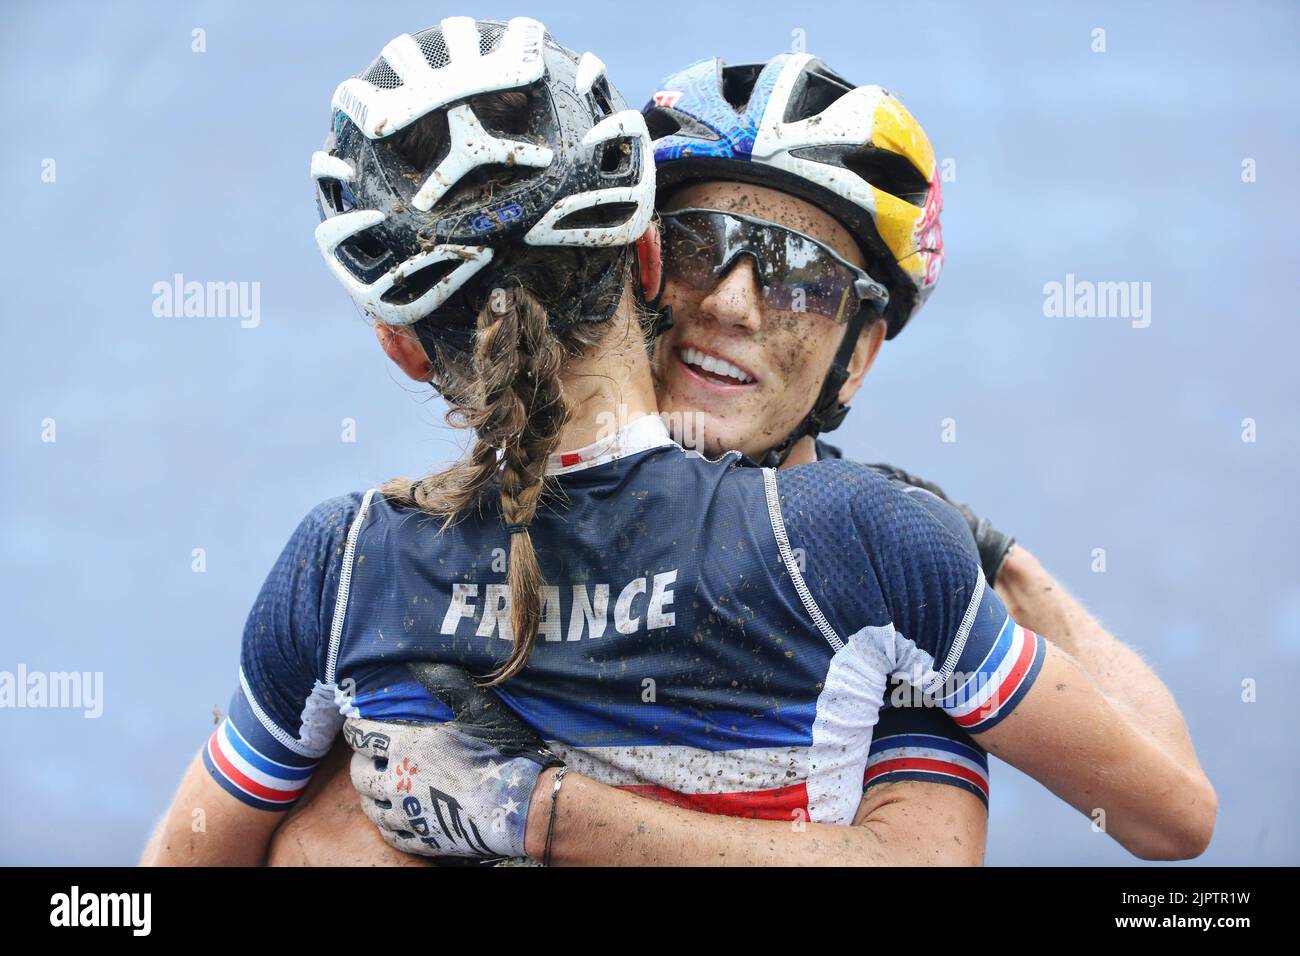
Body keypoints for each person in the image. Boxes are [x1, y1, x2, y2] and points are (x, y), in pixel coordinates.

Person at [141, 17, 1214, 867]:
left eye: (800, 273)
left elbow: (1144, 819)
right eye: (706, 244)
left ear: (861, 351)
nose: (737, 303)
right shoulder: (371, 563)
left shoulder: (888, 562)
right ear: (642, 258)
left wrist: (1004, 564)